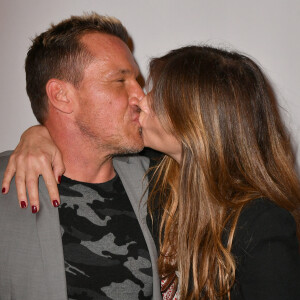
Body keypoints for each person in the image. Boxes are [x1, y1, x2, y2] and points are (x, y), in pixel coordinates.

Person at [4, 45, 300, 300]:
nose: (140, 99)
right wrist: (37, 134)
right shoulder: (156, 178)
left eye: (158, 96)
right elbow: (84, 141)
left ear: (198, 124)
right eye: (121, 81)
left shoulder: (260, 226)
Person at [0, 13, 162, 300]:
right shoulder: (7, 189)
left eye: (136, 80)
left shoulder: (160, 180)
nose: (141, 95)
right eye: (120, 80)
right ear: (61, 96)